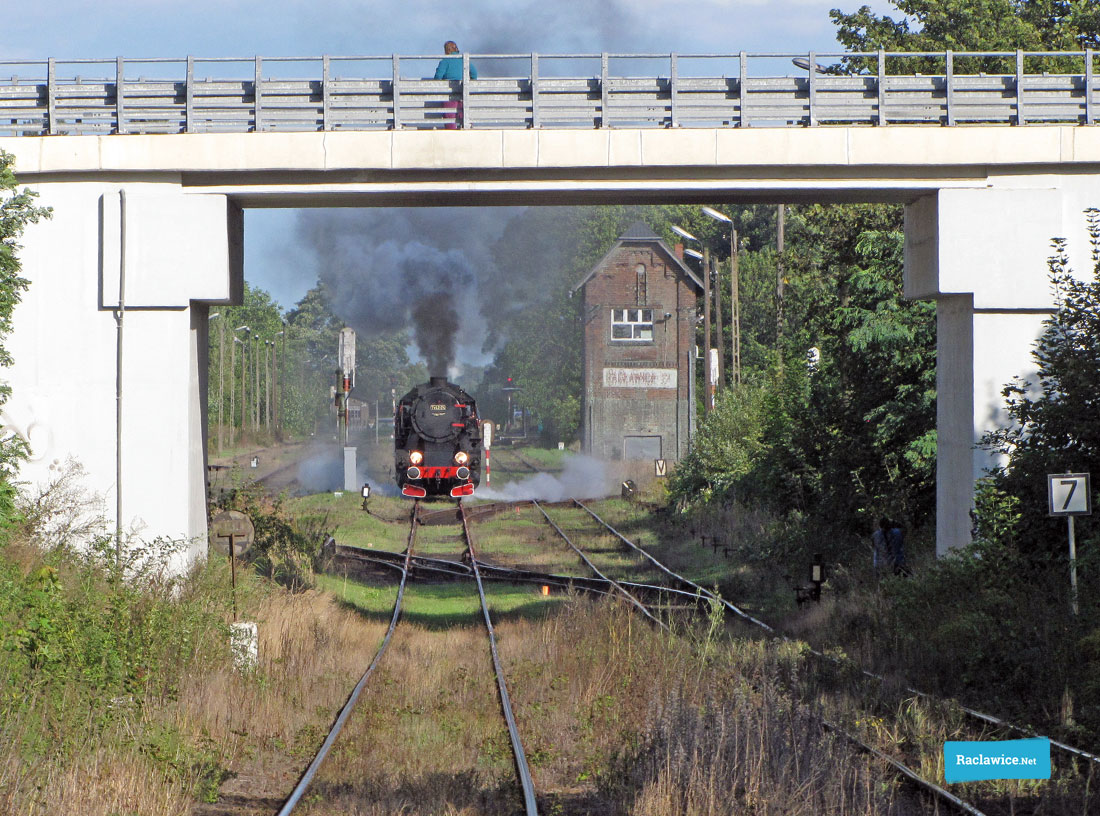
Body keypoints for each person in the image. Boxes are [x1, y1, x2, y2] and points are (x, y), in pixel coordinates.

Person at [434, 41, 477, 129]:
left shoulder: (445, 61)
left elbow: (438, 77)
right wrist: (470, 83)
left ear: (447, 50)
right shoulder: (463, 60)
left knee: (449, 116)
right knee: (463, 114)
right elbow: (474, 73)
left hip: (449, 94)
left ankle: (451, 133)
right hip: (462, 92)